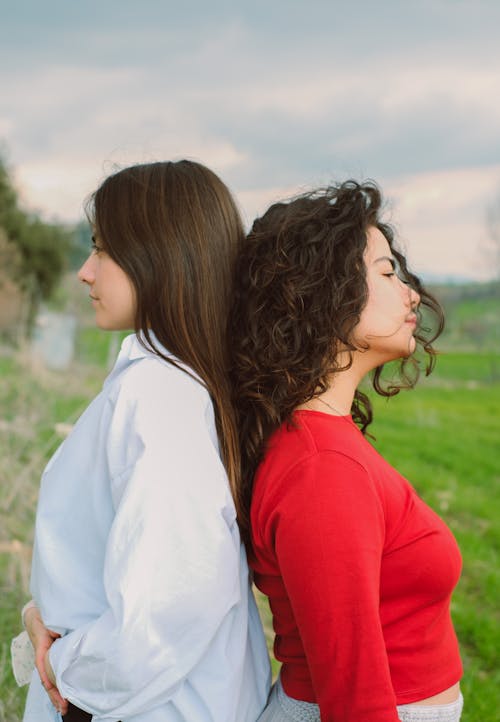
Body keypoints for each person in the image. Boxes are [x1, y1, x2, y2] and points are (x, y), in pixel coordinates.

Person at [21, 160, 271, 722]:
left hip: (135, 705)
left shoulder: (160, 395)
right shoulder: (162, 381)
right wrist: (41, 616)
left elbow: (170, 605)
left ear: (164, 258)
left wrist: (68, 673)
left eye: (104, 250)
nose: (86, 271)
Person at [229, 181, 463, 722]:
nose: (410, 293)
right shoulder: (321, 468)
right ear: (323, 293)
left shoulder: (324, 445)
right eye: (386, 272)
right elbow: (352, 692)